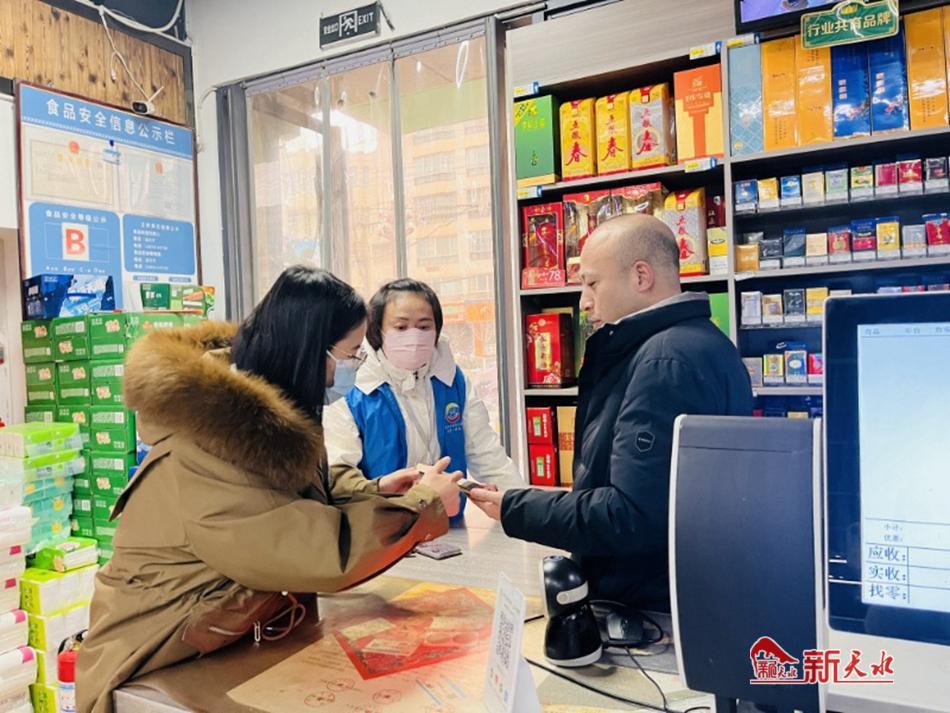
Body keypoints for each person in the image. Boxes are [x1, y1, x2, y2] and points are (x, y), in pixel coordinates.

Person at [77, 267, 463, 713]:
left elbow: (293, 485)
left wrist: (375, 489)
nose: (352, 368)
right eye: (350, 353)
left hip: (223, 636)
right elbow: (316, 552)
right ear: (310, 350)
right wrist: (424, 505)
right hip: (152, 656)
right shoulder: (208, 445)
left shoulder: (256, 409)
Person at [468, 214, 754, 611]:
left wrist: (515, 508)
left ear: (641, 276)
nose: (584, 301)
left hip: (647, 601)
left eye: (592, 283)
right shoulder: (700, 344)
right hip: (682, 590)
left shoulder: (664, 361)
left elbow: (631, 515)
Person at [324, 278, 521, 525]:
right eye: (401, 327)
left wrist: (523, 509)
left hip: (447, 525)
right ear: (377, 331)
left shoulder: (453, 381)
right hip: (380, 529)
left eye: (424, 326)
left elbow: (486, 452)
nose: (414, 336)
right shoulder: (351, 390)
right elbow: (339, 474)